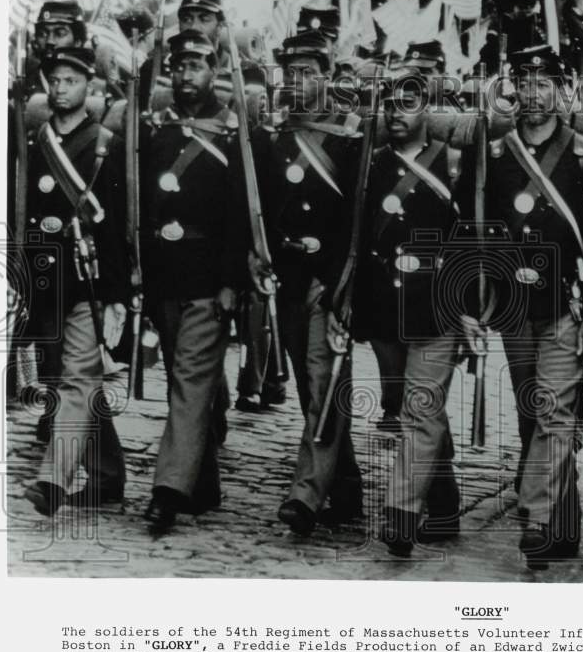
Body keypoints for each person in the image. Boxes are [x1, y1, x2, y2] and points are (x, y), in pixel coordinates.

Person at [460, 45, 583, 569]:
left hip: (567, 303)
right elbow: (471, 233)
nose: (533, 93)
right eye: (524, 83)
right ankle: (562, 523)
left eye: (544, 83)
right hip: (514, 306)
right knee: (535, 415)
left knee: (555, 412)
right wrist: (472, 304)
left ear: (562, 91)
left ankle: (538, 520)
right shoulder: (495, 155)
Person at [349, 68, 467, 556]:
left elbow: (473, 239)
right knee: (413, 404)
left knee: (420, 407)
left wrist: (469, 306)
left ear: (428, 110)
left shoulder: (454, 165)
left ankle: (401, 514)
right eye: (390, 101)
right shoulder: (370, 164)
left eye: (409, 102)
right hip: (382, 304)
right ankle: (443, 501)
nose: (397, 111)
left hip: (435, 303)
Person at [254, 28, 365, 535]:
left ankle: (306, 493)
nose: (297, 82)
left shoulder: (348, 135)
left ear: (328, 76)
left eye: (308, 73)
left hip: (327, 281)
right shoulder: (275, 135)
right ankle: (345, 487)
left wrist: (337, 281)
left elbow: (355, 220)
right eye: (291, 73)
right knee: (309, 384)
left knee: (323, 382)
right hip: (289, 279)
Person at [139, 30, 250, 532]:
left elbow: (240, 217)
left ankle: (167, 492)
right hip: (164, 277)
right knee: (182, 384)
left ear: (216, 71)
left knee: (188, 382)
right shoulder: (156, 130)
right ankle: (202, 483)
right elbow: (140, 208)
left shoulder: (232, 134)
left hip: (208, 278)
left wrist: (232, 281)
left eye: (198, 66)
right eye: (180, 66)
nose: (187, 76)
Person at [19, 46, 128, 514]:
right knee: (68, 380)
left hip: (88, 278)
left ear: (91, 87)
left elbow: (121, 225)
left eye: (72, 80)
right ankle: (107, 475)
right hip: (43, 283)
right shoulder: (33, 143)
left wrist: (119, 293)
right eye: (55, 80)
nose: (62, 88)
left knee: (77, 379)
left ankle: (52, 482)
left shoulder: (106, 144)